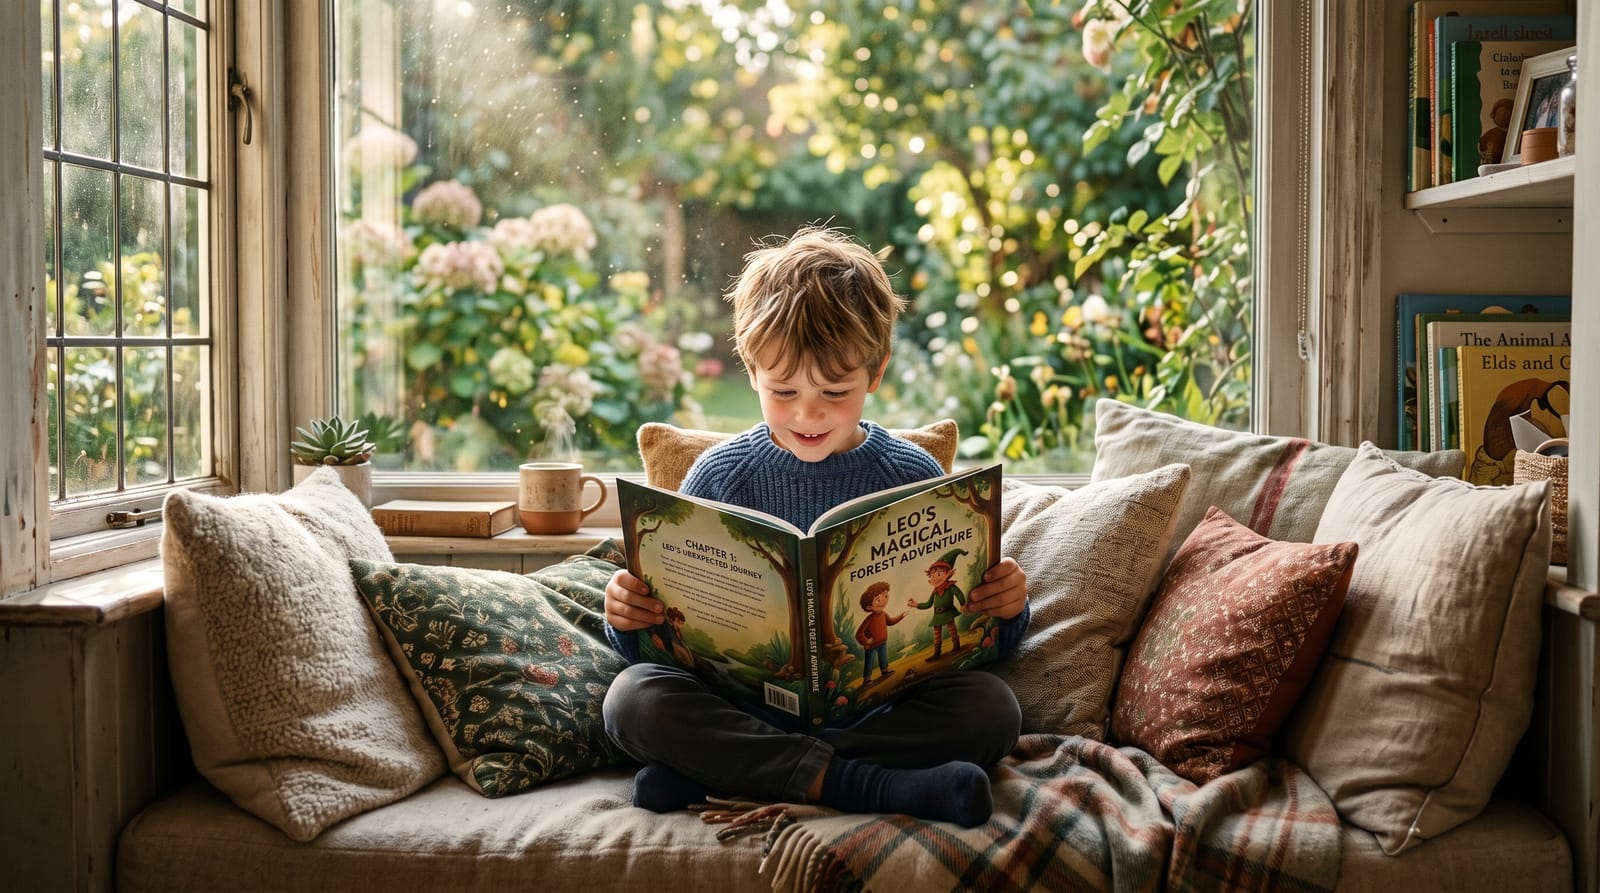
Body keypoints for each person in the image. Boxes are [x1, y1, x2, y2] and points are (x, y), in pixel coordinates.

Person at [602, 225, 1029, 828]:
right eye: (783, 390)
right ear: (751, 371)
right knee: (631, 701)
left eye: (835, 389)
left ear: (875, 373)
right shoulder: (717, 476)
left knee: (992, 709)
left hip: (873, 717)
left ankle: (728, 773)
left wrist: (1006, 609)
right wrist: (628, 617)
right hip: (747, 711)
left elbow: (974, 643)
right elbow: (666, 651)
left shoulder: (915, 474)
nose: (808, 412)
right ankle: (872, 788)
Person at [908, 548, 969, 660]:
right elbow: (928, 604)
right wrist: (916, 605)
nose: (934, 578)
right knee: (936, 633)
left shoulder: (950, 586)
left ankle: (956, 646)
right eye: (932, 575)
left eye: (939, 574)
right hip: (937, 615)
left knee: (952, 628)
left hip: (948, 612)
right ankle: (937, 652)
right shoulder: (935, 592)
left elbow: (959, 594)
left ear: (948, 574)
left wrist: (963, 604)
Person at [854, 580, 905, 686]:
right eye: (878, 600)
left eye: (885, 597)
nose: (884, 601)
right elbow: (859, 634)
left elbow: (890, 622)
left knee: (883, 657)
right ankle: (867, 678)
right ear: (869, 607)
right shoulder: (869, 619)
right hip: (871, 645)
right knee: (870, 661)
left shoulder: (883, 614)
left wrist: (901, 616)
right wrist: (866, 641)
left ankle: (885, 670)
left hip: (883, 642)